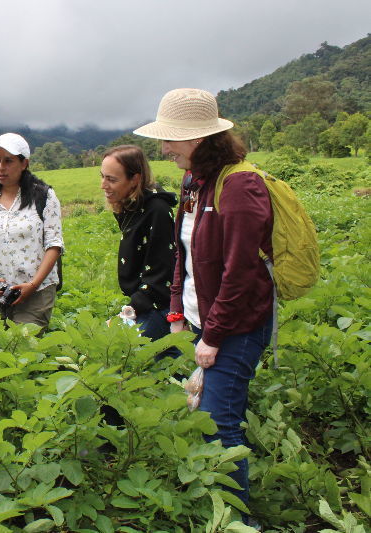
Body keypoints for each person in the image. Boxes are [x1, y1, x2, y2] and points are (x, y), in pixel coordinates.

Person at [135, 88, 274, 516]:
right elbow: (183, 254)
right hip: (201, 317)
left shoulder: (240, 185)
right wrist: (177, 310)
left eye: (171, 138)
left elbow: (240, 272)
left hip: (237, 325)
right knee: (206, 415)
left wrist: (212, 336)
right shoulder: (194, 181)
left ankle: (239, 520)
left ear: (197, 139)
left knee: (218, 424)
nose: (163, 148)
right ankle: (222, 507)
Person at [0, 133, 64, 328]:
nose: (0, 167)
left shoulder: (44, 196)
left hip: (36, 293)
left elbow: (54, 244)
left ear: (24, 164)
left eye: (8, 161)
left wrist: (32, 286)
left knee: (26, 348)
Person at [100, 145, 178, 348]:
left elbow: (161, 275)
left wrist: (128, 311)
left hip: (160, 306)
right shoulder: (131, 208)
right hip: (145, 302)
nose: (103, 185)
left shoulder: (156, 211)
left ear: (134, 179)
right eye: (103, 177)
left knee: (120, 351)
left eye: (112, 179)